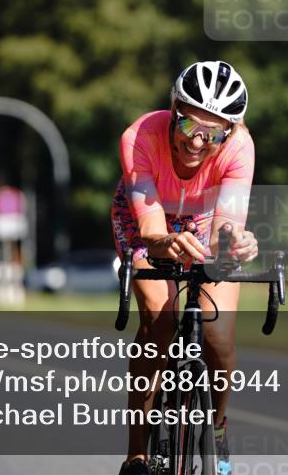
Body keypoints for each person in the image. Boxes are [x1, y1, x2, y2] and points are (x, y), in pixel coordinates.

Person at [112, 60, 258, 475]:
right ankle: (137, 453)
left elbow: (224, 229)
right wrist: (162, 243)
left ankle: (215, 427)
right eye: (188, 125)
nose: (197, 141)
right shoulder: (138, 136)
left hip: (202, 221)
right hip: (145, 220)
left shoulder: (240, 147)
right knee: (159, 320)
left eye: (213, 133)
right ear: (173, 108)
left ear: (230, 132)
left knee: (219, 335)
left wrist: (235, 243)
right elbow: (152, 226)